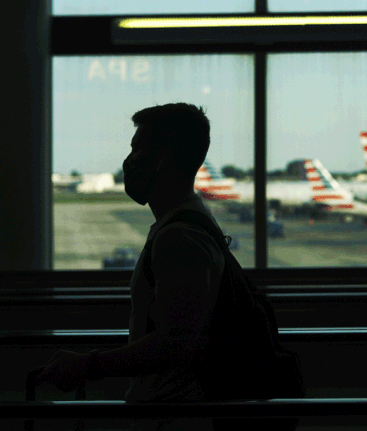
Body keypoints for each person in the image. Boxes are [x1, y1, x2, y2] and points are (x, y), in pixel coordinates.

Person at [36, 103, 226, 431]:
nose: (130, 161)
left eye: (138, 149)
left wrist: (88, 365)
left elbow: (173, 344)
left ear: (163, 158)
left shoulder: (179, 237)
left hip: (172, 415)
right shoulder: (184, 222)